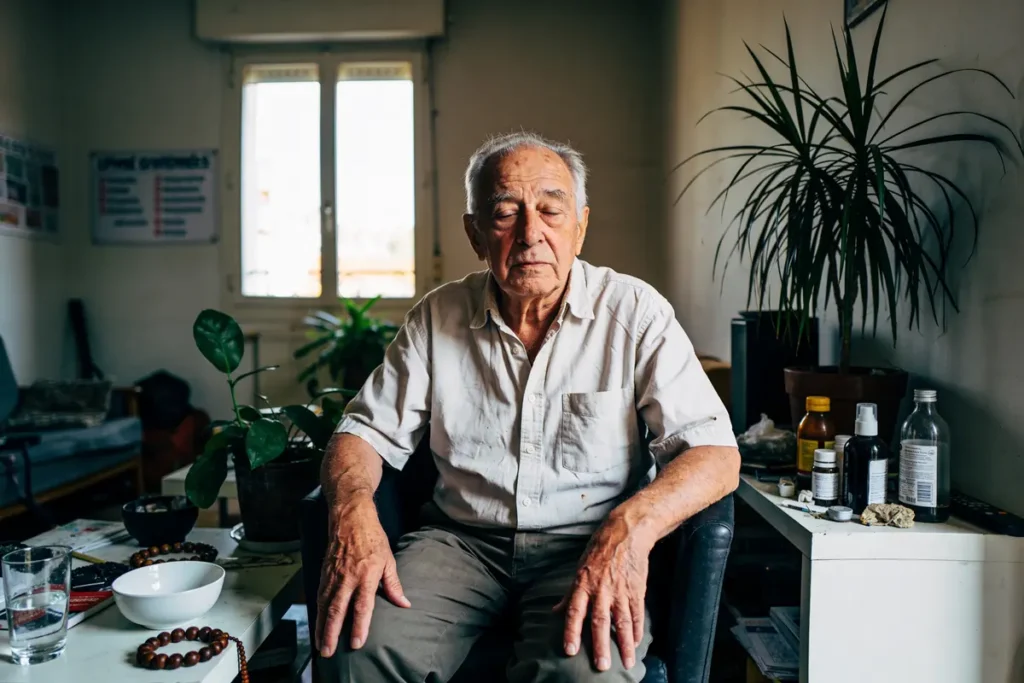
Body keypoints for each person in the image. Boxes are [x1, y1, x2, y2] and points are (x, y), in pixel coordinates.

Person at [316, 132, 740, 682]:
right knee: (357, 646)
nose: (530, 234)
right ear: (475, 233)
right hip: (459, 543)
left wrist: (630, 527)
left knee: (589, 673)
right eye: (504, 214)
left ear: (580, 227)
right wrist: (353, 512)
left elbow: (715, 454)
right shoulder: (437, 316)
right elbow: (362, 433)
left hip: (585, 544)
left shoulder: (635, 312)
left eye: (550, 211)